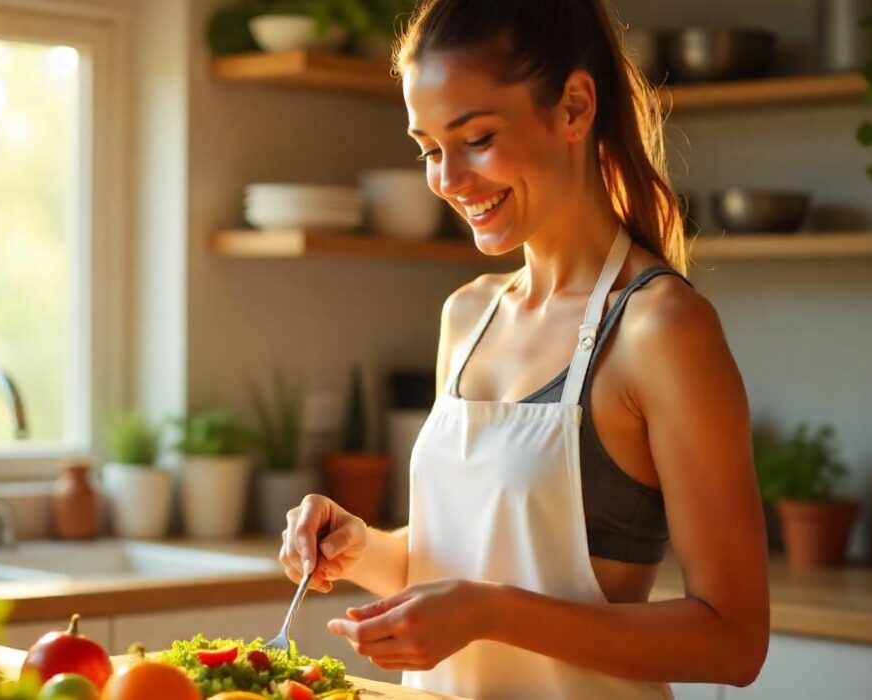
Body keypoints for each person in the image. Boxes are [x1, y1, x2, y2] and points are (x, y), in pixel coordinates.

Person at [278, 1, 770, 697]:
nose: (448, 179)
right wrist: (360, 546)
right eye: (428, 149)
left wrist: (489, 613)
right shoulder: (468, 315)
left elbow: (734, 640)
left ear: (573, 107)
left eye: (475, 137)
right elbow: (452, 566)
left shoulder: (660, 328)